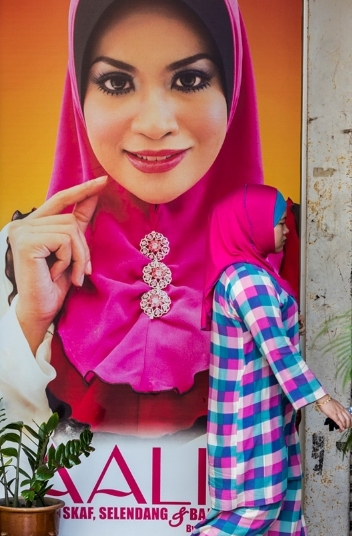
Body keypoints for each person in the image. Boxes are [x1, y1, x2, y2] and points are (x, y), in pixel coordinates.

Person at [0, 0, 271, 435]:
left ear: (233, 88)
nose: (155, 124)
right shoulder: (22, 256)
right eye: (115, 82)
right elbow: (13, 486)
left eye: (189, 79)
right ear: (79, 95)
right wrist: (29, 321)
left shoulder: (294, 253)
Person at [152, 184, 352, 536]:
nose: (285, 229)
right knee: (258, 505)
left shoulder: (256, 275)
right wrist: (321, 397)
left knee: (281, 505)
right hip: (248, 418)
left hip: (266, 413)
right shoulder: (246, 279)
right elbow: (275, 345)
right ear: (250, 225)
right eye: (278, 220)